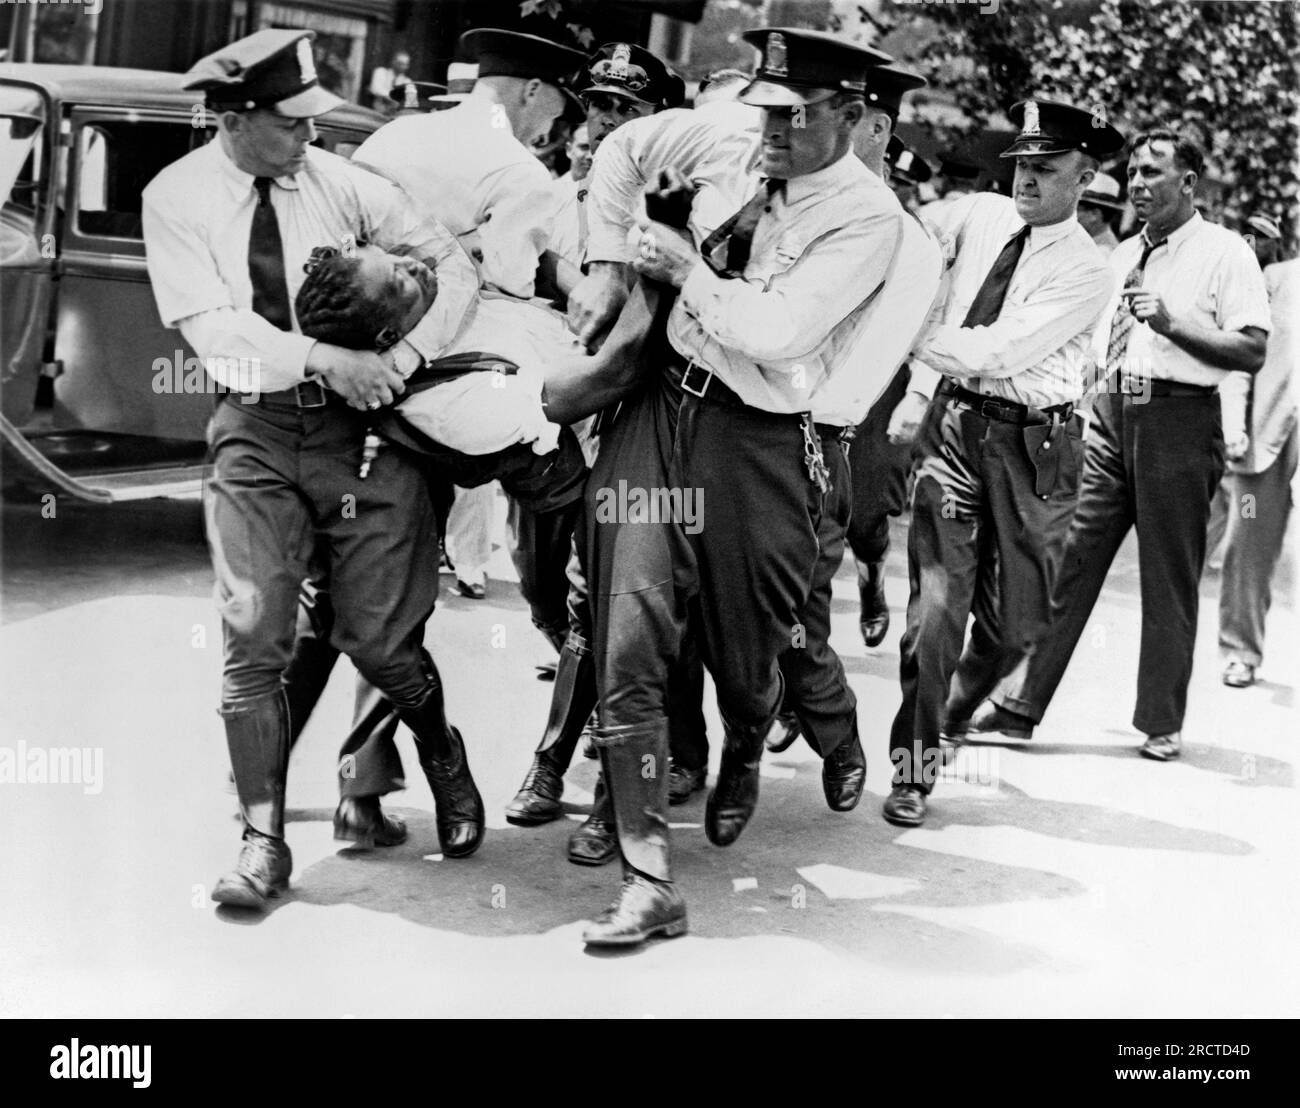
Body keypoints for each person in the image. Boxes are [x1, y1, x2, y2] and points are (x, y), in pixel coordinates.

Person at [141, 29, 480, 909]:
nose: (309, 138)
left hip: (363, 432)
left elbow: (449, 264)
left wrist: (406, 354)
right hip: (255, 428)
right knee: (255, 630)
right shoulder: (175, 198)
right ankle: (261, 842)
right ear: (233, 117)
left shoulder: (343, 184)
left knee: (378, 638)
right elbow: (213, 329)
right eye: (290, 123)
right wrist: (323, 357)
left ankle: (442, 754)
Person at [621, 28, 906, 930]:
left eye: (795, 116)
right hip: (661, 407)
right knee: (631, 623)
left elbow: (781, 329)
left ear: (852, 117)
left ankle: (747, 736)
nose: (772, 131)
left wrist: (681, 270)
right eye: (767, 111)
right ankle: (642, 873)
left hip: (759, 437)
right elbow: (624, 151)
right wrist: (607, 248)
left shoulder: (867, 218)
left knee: (751, 645)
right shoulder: (739, 153)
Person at [965, 128, 1271, 762]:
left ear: (1188, 183)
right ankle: (1019, 705)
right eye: (1133, 171)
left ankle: (1161, 722)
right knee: (1067, 558)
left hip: (1179, 421)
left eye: (1153, 172)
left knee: (1168, 574)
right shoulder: (1122, 254)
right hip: (1110, 415)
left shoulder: (1225, 253)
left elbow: (1251, 348)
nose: (1137, 183)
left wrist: (1172, 323)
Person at [881, 99, 1126, 828]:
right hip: (958, 432)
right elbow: (914, 247)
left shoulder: (1086, 272)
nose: (1026, 179)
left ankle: (957, 712)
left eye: (1046, 169)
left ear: (1084, 179)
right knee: (935, 614)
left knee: (1018, 628)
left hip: (1037, 452)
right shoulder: (981, 216)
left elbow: (998, 350)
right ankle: (914, 765)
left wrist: (908, 337)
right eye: (1021, 164)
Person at [1216, 214, 1295, 688]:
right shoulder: (1276, 280)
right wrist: (1232, 420)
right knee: (1245, 543)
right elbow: (1241, 360)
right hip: (1270, 440)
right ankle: (1240, 649)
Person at [549, 123, 592, 271]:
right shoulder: (550, 193)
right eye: (585, 147)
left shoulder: (610, 199)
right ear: (569, 150)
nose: (591, 156)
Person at [1076, 171, 1124, 255]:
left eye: (1077, 210)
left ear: (1094, 214)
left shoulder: (1102, 252)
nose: (1072, 216)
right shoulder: (1088, 243)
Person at [368, 50, 411, 115]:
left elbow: (410, 101)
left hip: (396, 114)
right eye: (400, 63)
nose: (403, 67)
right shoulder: (380, 72)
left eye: (405, 64)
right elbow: (375, 89)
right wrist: (394, 98)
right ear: (393, 62)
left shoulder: (407, 81)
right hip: (377, 111)